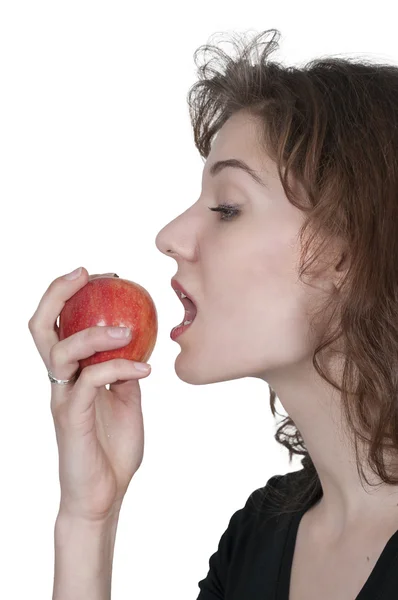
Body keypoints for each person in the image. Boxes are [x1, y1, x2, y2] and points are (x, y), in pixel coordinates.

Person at [28, 28, 398, 600]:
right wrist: (88, 520)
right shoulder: (259, 536)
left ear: (347, 252)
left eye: (227, 208)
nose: (169, 236)